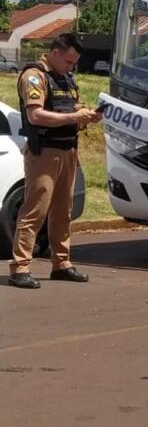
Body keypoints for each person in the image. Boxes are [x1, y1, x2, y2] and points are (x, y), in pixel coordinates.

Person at [8, 32, 102, 290]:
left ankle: (61, 263)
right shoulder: (34, 76)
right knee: (34, 210)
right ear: (56, 53)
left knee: (63, 211)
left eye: (74, 63)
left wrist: (86, 115)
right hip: (45, 153)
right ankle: (20, 267)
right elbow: (36, 115)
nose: (72, 66)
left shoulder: (67, 78)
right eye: (69, 61)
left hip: (68, 150)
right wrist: (74, 118)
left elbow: (71, 106)